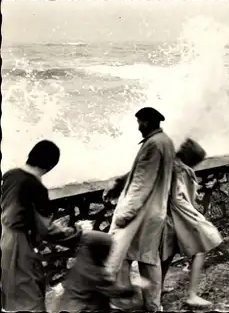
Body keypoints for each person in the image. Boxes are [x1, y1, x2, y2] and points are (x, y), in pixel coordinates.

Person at [102, 107, 175, 311]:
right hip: (154, 213)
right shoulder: (164, 142)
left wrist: (125, 213)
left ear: (147, 122)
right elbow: (142, 171)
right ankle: (153, 305)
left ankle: (120, 302)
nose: (138, 127)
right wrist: (121, 181)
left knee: (119, 253)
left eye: (140, 122)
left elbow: (142, 182)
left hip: (140, 214)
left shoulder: (153, 145)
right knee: (148, 259)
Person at [0, 140, 82, 311]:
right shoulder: (36, 187)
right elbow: (47, 230)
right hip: (20, 243)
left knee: (11, 293)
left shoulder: (10, 174)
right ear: (50, 166)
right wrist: (74, 232)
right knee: (31, 297)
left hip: (4, 237)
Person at [160, 138, 223, 308]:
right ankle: (192, 295)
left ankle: (157, 289)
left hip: (164, 218)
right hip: (177, 217)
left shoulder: (169, 166)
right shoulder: (183, 172)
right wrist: (197, 218)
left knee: (168, 253)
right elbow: (181, 199)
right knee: (201, 248)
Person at [55, 231, 141, 311]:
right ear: (100, 250)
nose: (111, 252)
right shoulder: (95, 273)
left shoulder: (81, 264)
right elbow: (116, 291)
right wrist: (135, 286)